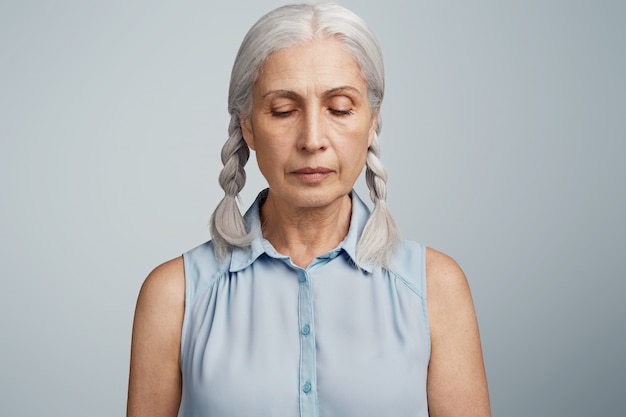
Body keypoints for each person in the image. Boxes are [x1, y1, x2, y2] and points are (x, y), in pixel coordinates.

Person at [127, 3, 490, 417]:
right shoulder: (174, 296)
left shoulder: (436, 289)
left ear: (372, 121)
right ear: (247, 126)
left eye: (339, 108)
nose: (312, 139)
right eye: (283, 110)